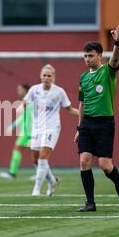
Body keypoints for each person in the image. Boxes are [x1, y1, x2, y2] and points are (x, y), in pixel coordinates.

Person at [74, 25, 119, 212]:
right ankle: (90, 203)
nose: (87, 59)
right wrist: (78, 128)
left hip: (105, 123)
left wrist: (117, 42)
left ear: (100, 56)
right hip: (87, 123)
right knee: (84, 161)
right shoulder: (82, 78)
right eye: (85, 56)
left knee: (105, 166)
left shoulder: (107, 71)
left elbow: (115, 58)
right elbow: (81, 104)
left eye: (91, 55)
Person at [24, 64, 79, 196]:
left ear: (53, 77)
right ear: (40, 76)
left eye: (49, 75)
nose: (46, 78)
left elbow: (69, 108)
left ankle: (36, 189)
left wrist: (83, 114)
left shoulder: (59, 92)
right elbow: (25, 104)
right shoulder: (34, 90)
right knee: (36, 160)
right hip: (37, 128)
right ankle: (52, 180)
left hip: (52, 127)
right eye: (44, 75)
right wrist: (21, 111)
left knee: (43, 156)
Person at [0, 84, 33, 180]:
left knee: (21, 150)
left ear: (26, 91)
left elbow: (27, 117)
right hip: (28, 131)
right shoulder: (27, 101)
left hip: (28, 131)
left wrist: (13, 126)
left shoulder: (29, 101)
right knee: (32, 152)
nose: (18, 92)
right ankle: (13, 173)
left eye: (20, 90)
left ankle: (12, 173)